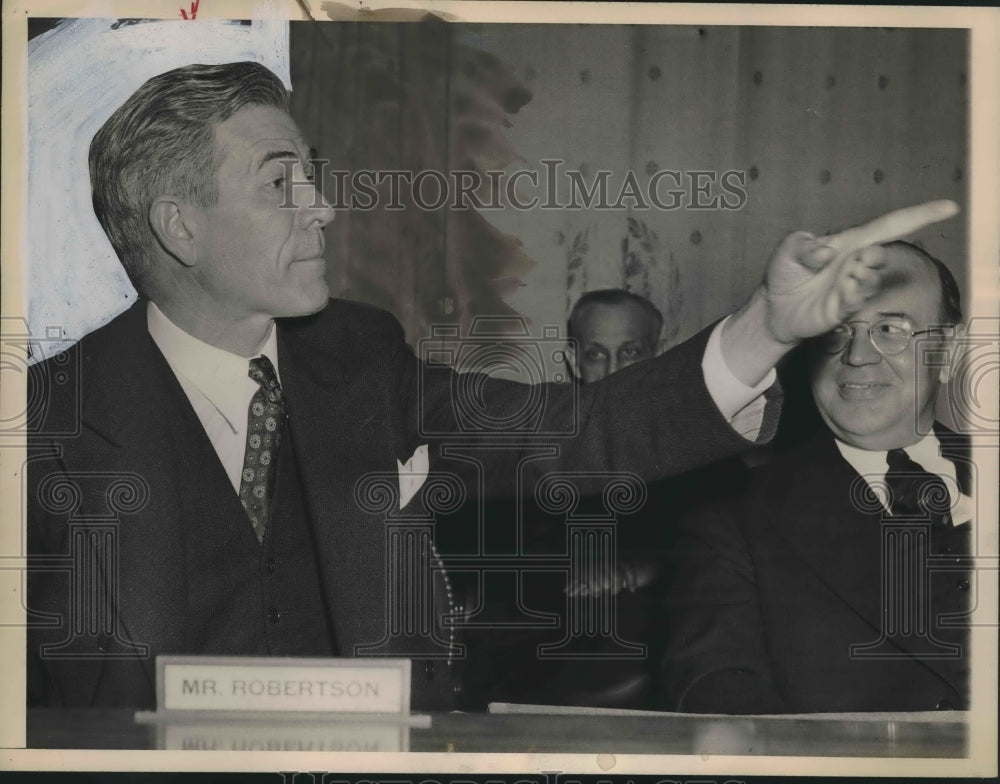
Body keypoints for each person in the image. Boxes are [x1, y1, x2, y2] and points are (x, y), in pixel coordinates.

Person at [25, 60, 958, 712]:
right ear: (180, 227)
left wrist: (766, 323)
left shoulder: (360, 357)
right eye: (283, 184)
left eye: (315, 175)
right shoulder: (43, 423)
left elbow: (581, 431)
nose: (324, 205)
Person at [663, 241, 973, 713]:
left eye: (890, 328)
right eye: (838, 331)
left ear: (948, 351)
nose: (858, 355)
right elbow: (717, 693)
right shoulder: (734, 522)